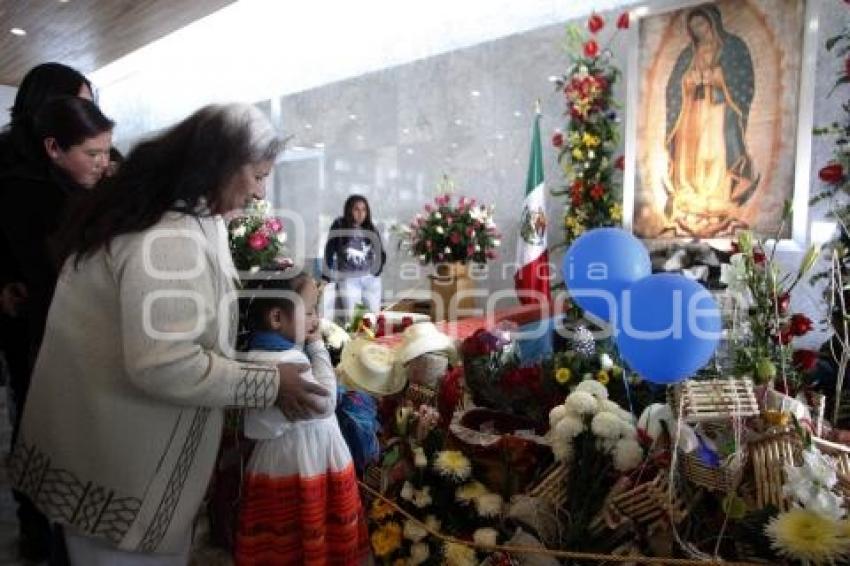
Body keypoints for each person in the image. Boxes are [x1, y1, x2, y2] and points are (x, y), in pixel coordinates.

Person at [9, 103, 330, 565]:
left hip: (111, 452)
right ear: (219, 165)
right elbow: (165, 362)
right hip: (119, 466)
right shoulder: (168, 235)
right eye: (257, 176)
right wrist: (270, 383)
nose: (260, 193)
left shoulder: (186, 215)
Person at [0, 94, 110, 563]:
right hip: (51, 343)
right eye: (93, 154)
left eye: (108, 151)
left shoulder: (93, 190)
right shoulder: (27, 194)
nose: (104, 163)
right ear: (52, 148)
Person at [234, 271, 368, 565]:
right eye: (308, 312)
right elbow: (325, 402)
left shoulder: (255, 355)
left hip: (274, 459)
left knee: (283, 536)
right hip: (307, 458)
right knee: (312, 521)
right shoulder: (289, 362)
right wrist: (318, 346)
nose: (315, 320)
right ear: (277, 319)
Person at [663, 4, 759, 237]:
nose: (698, 30)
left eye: (701, 24)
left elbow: (743, 79)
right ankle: (689, 193)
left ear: (713, 23)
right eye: (693, 26)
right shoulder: (688, 54)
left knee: (714, 151)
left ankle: (716, 196)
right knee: (690, 153)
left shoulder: (733, 48)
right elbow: (674, 85)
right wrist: (688, 80)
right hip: (692, 110)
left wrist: (718, 78)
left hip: (718, 109)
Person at [322, 195, 386, 321]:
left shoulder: (370, 227)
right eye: (356, 209)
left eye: (364, 210)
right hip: (349, 280)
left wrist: (377, 271)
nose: (360, 213)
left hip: (371, 281)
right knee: (352, 321)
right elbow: (329, 251)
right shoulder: (339, 225)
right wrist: (326, 276)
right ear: (349, 210)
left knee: (374, 319)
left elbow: (380, 252)